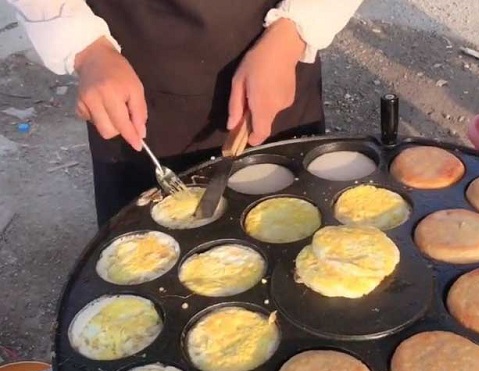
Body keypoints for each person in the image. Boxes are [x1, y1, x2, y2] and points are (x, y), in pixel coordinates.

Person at [9, 0, 364, 226]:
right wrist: (85, 48)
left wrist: (294, 32)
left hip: (275, 60)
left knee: (291, 240)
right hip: (134, 80)